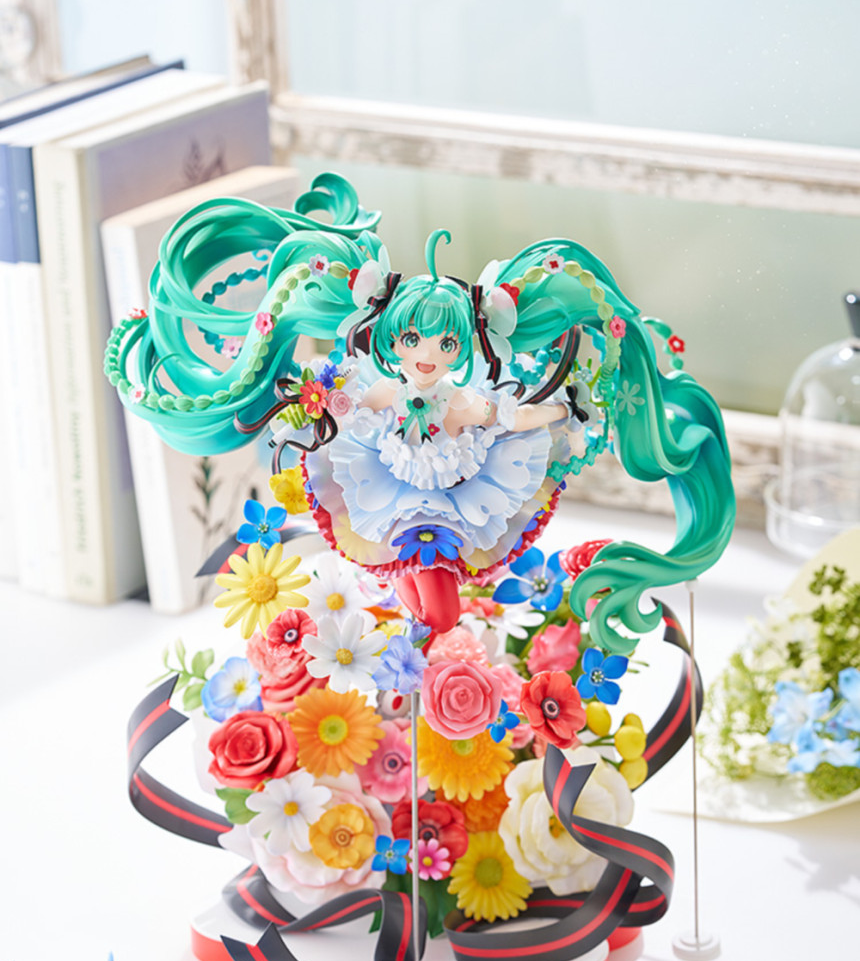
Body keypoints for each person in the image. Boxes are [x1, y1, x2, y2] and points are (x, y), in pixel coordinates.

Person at [106, 173, 735, 650]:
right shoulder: (383, 390)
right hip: (388, 493)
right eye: (412, 341)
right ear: (391, 340)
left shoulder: (460, 400)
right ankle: (410, 655)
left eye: (445, 344)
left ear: (465, 346)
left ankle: (412, 652)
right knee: (422, 599)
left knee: (438, 609)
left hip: (456, 505)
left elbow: (509, 418)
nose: (427, 355)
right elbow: (339, 401)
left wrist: (564, 412)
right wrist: (303, 399)